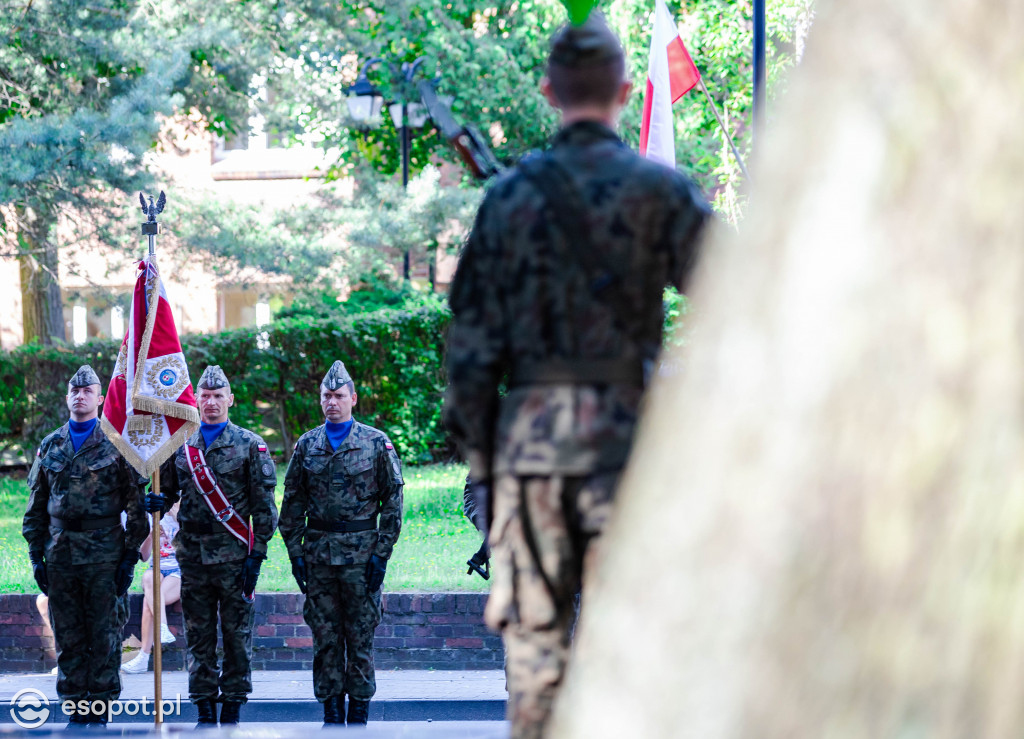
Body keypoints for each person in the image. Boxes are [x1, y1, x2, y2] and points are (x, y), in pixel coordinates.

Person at [442, 12, 712, 738]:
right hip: (630, 458)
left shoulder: (508, 200)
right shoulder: (659, 192)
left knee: (537, 674)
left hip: (534, 456)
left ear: (547, 90)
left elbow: (468, 359)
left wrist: (489, 475)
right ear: (625, 91)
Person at [147, 365, 278, 726]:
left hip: (235, 556)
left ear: (230, 400)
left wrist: (258, 554)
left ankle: (233, 705)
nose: (211, 402)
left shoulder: (250, 445)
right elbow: (170, 489)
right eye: (205, 396)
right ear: (196, 400)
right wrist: (157, 501)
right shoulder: (181, 443)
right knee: (199, 636)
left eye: (218, 396)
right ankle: (203, 706)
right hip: (192, 556)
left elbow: (264, 506)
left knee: (236, 636)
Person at [279, 360, 404, 726]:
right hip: (318, 557)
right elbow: (292, 504)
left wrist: (382, 555)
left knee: (361, 636)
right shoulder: (307, 445)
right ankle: (331, 713)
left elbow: (393, 503)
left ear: (353, 398)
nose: (331, 402)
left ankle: (360, 714)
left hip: (362, 558)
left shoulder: (376, 443)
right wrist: (294, 554)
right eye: (326, 396)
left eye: (338, 396)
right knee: (325, 638)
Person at [23, 365, 148, 725]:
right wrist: (36, 554)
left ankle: (102, 709)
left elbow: (135, 505)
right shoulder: (51, 444)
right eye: (74, 391)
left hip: (104, 554)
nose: (80, 396)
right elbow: (36, 503)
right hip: (60, 553)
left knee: (106, 634)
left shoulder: (116, 443)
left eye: (87, 391)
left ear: (99, 398)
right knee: (69, 634)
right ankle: (75, 707)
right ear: (67, 397)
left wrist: (129, 557)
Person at [121, 502, 181, 673]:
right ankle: (162, 629)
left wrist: (175, 516)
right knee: (148, 576)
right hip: (157, 569)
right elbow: (144, 556)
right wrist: (152, 533)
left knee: (150, 601)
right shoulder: (153, 515)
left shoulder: (185, 513)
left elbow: (189, 547)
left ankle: (143, 658)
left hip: (181, 569)